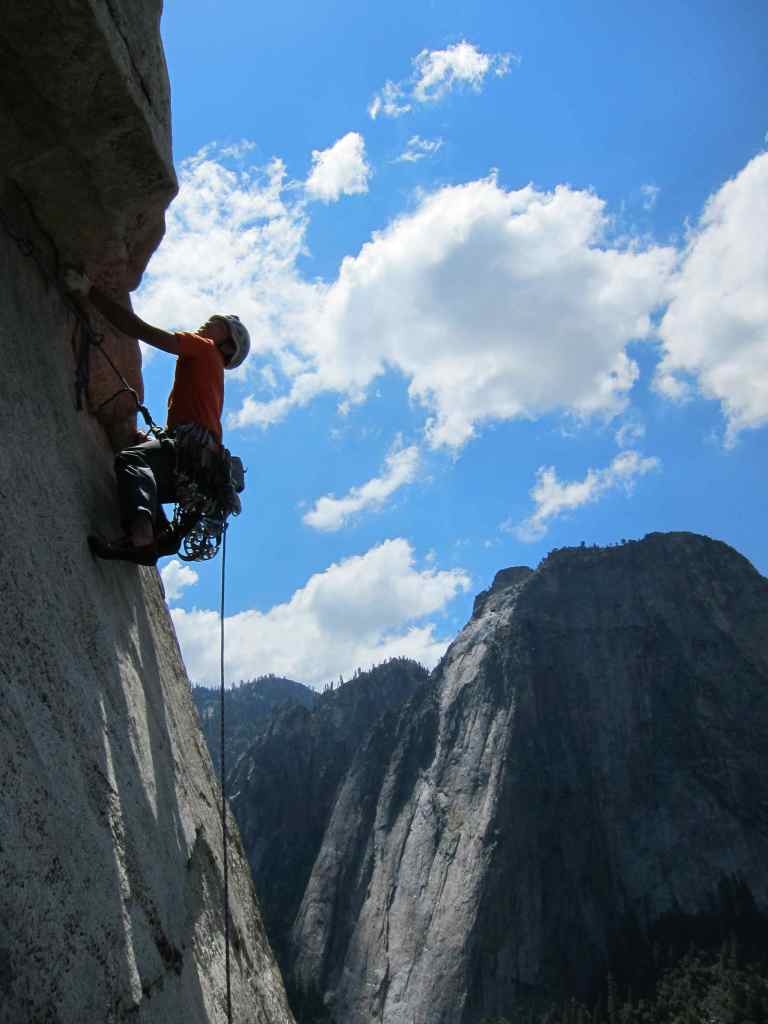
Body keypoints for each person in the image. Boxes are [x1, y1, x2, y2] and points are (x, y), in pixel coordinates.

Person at [63, 269, 250, 566]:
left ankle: (142, 537)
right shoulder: (210, 374)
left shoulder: (204, 348)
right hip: (197, 468)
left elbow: (141, 330)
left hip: (190, 455)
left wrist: (90, 292)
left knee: (131, 460)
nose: (208, 323)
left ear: (227, 345)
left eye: (217, 324)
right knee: (147, 467)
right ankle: (162, 536)